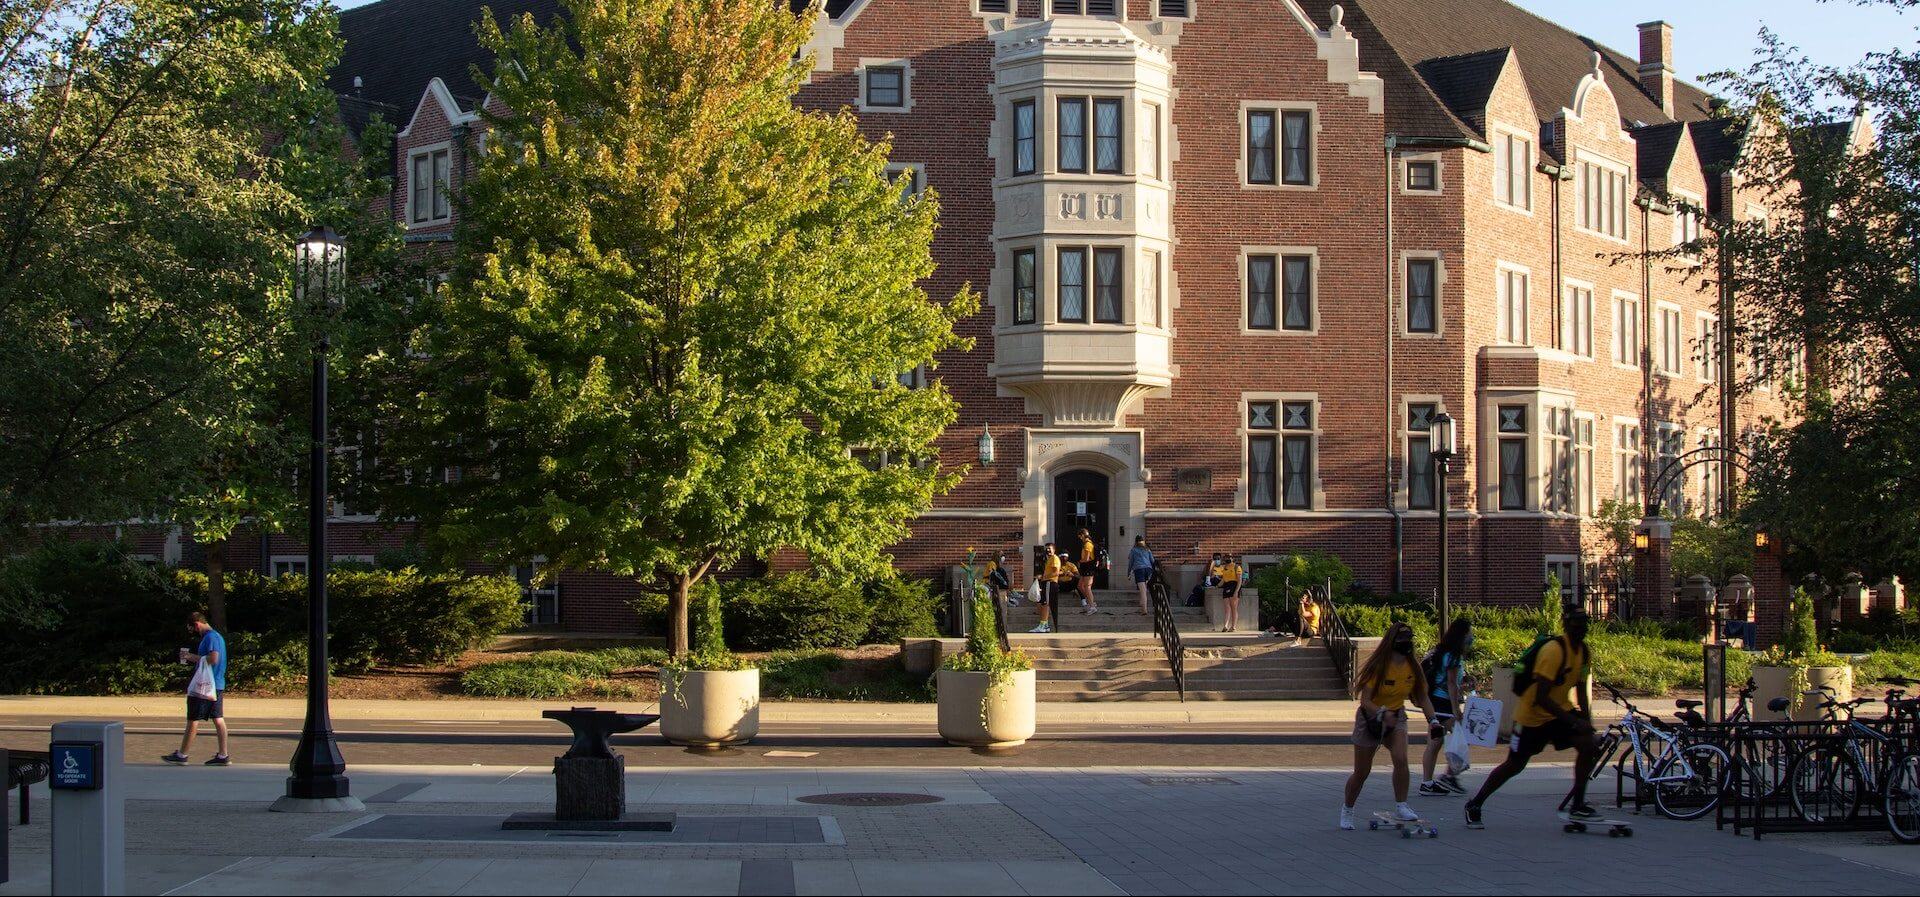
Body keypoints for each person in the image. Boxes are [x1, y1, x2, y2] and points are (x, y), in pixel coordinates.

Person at [1463, 606, 1601, 830]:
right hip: (1531, 717)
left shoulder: (1583, 652)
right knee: (1514, 765)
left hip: (1559, 713)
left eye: (1585, 623)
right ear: (1566, 625)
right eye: (1576, 624)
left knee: (1588, 745)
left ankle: (1578, 805)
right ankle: (1475, 803)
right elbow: (1541, 697)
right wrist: (1573, 721)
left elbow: (1581, 688)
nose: (1581, 628)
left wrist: (1587, 723)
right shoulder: (1554, 651)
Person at [1340, 621, 1442, 830]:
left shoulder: (1412, 667)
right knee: (1362, 771)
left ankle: (1401, 805)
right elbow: (1365, 700)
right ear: (1392, 642)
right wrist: (1381, 712)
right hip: (1371, 718)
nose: (1406, 644)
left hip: (1396, 717)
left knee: (1401, 759)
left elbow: (1422, 697)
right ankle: (1347, 809)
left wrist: (1433, 721)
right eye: (1402, 640)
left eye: (1409, 640)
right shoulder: (1380, 666)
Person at [164, 611, 230, 766]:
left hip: (204, 686)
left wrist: (190, 657)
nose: (194, 632)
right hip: (217, 685)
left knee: (193, 718)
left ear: (196, 624)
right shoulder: (217, 637)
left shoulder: (211, 637)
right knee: (218, 719)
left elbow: (213, 659)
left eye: (192, 629)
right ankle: (223, 755)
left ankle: (182, 754)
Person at [1419, 618, 1474, 796]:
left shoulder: (1443, 652)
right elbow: (1451, 683)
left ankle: (1428, 782)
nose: (1471, 636)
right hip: (1443, 703)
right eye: (1469, 633)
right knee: (1462, 733)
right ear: (1462, 635)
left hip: (1434, 700)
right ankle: (1448, 775)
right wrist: (1456, 707)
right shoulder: (1453, 655)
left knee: (1435, 741)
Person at [1030, 543, 1062, 633]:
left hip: (1050, 583)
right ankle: (1045, 625)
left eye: (1050, 549)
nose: (1048, 550)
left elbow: (1056, 572)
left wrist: (1043, 577)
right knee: (1042, 603)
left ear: (1054, 550)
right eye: (1046, 549)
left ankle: (1043, 625)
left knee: (1045, 604)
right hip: (1047, 583)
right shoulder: (1049, 559)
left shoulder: (1054, 558)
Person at [1127, 536, 1155, 615]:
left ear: (1135, 542)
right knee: (1144, 589)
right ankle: (1141, 604)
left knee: (1143, 591)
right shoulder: (1147, 549)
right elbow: (1152, 560)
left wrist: (1128, 573)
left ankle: (1144, 610)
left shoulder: (1133, 550)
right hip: (1148, 570)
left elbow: (1131, 563)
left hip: (1139, 570)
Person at [1074, 529, 1099, 614]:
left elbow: (1087, 558)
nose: (1080, 538)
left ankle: (1092, 606)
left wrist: (1079, 561)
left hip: (1088, 567)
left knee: (1087, 587)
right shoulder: (1086, 544)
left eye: (1080, 536)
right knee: (1080, 586)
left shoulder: (1088, 544)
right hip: (1085, 568)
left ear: (1082, 535)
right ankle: (1090, 602)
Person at [1217, 554, 1245, 632]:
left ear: (1232, 558)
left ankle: (1233, 627)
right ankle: (1225, 625)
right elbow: (1223, 579)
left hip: (1234, 586)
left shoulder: (1237, 567)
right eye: (1226, 558)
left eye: (1229, 557)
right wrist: (1217, 586)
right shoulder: (1225, 568)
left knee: (1234, 608)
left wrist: (1236, 591)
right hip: (1226, 586)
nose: (1228, 559)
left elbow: (1239, 581)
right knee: (1227, 607)